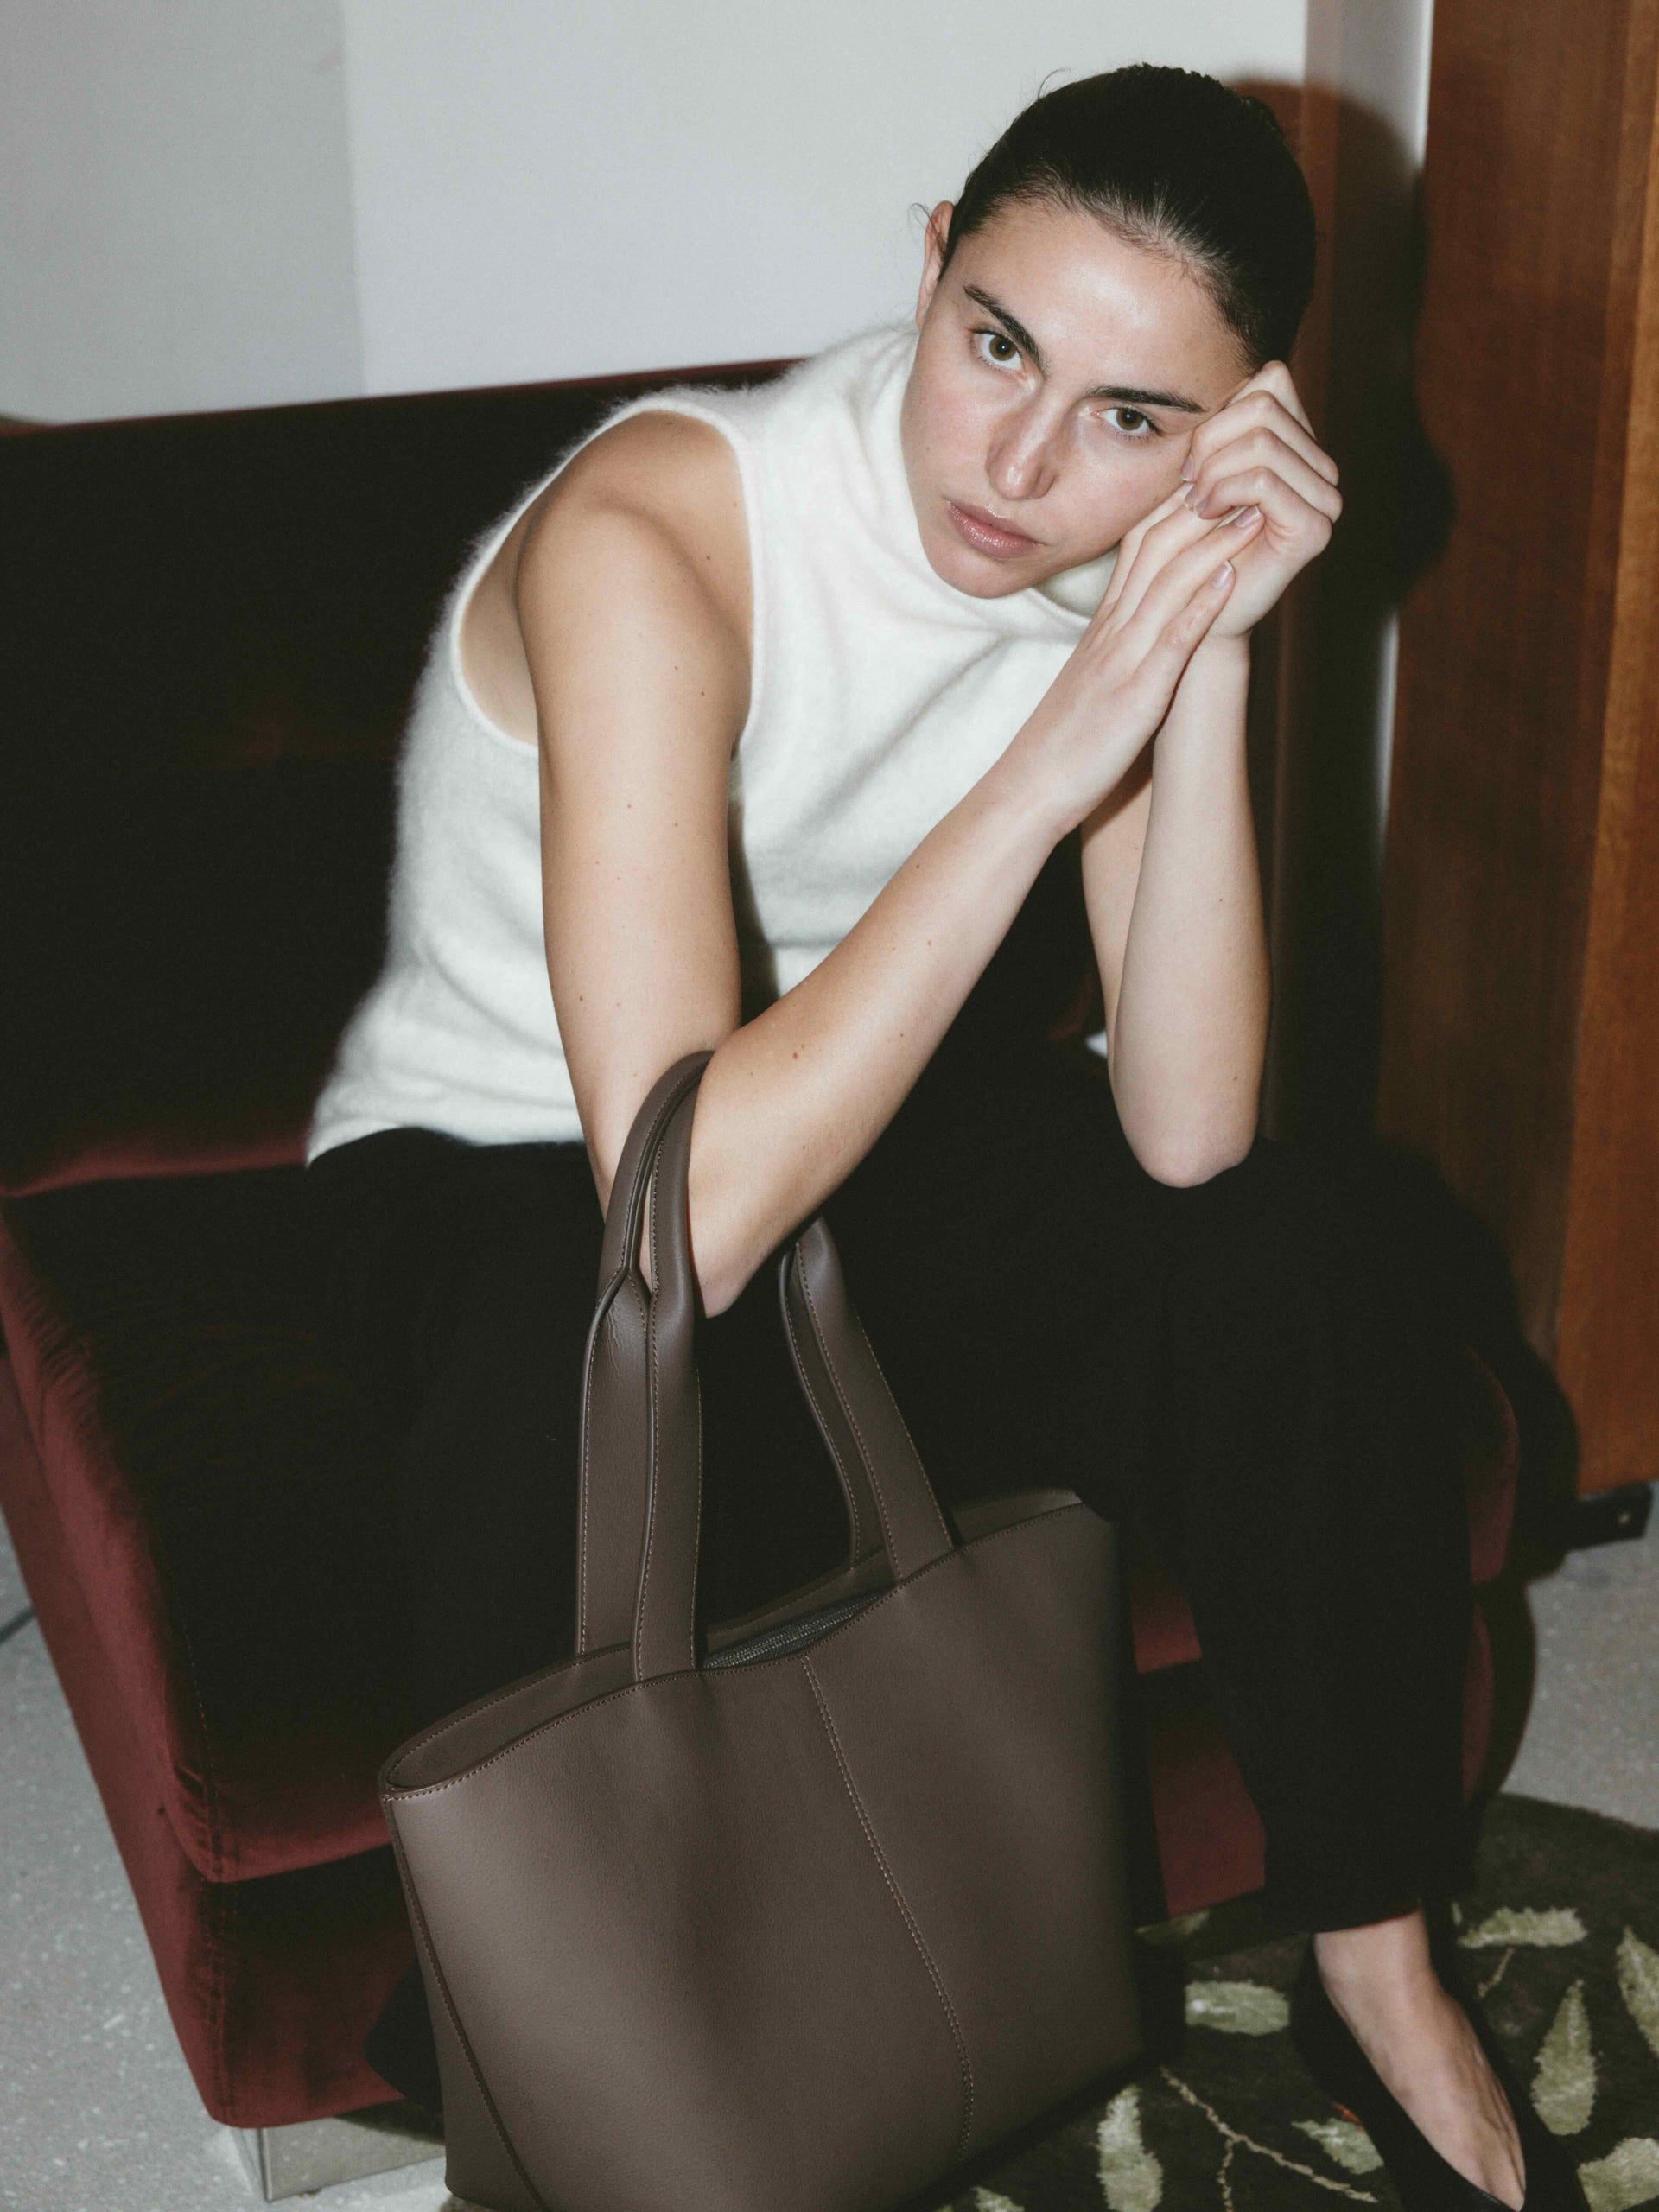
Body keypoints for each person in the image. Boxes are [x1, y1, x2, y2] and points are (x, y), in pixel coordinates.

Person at [308, 65, 1580, 2212]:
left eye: (1133, 418)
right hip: (517, 1152)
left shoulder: (1131, 566)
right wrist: (1063, 739)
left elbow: (1193, 1135)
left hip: (846, 1107)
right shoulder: (658, 534)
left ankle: (1378, 1965)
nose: (1023, 466)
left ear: (1229, 434)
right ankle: (574, 2066)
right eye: (999, 343)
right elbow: (684, 1214)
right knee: (554, 1389)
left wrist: (1203, 659)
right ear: (928, 264)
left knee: (1316, 1242)